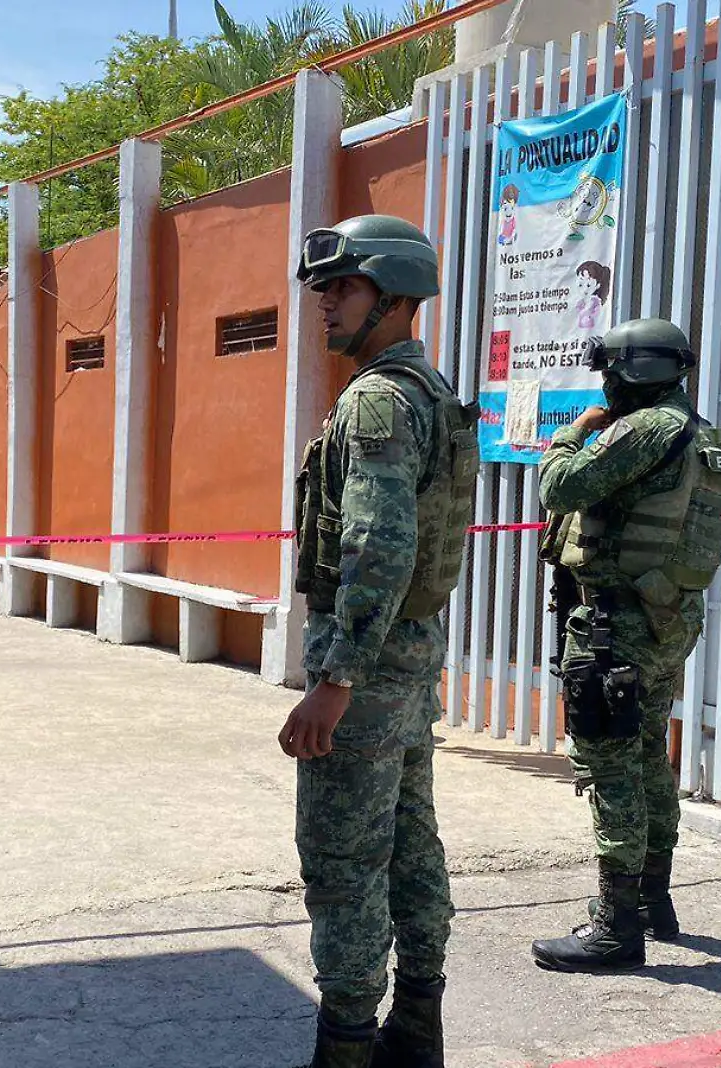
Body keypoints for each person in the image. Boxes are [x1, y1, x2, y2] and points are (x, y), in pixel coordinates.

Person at [281, 214, 478, 1068]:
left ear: (394, 299)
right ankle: (418, 1026)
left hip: (370, 662)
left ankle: (348, 1044)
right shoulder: (427, 388)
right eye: (324, 289)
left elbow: (379, 544)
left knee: (344, 855)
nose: (325, 304)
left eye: (344, 287)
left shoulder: (377, 399)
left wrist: (336, 677)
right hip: (411, 653)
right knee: (408, 838)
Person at [530, 318, 721, 974]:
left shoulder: (645, 427)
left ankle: (616, 926)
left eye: (612, 372)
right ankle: (653, 900)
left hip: (616, 626)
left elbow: (558, 485)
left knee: (613, 766)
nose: (605, 384)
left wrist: (575, 431)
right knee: (648, 754)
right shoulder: (697, 431)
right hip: (662, 619)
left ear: (636, 371)